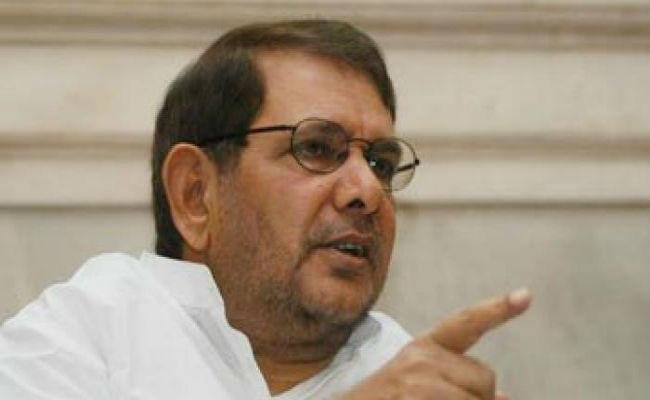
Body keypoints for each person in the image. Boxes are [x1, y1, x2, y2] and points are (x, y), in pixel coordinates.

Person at [0, 19, 531, 399]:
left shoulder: (409, 375)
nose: (367, 191)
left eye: (381, 163)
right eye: (317, 148)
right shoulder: (84, 336)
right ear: (196, 195)